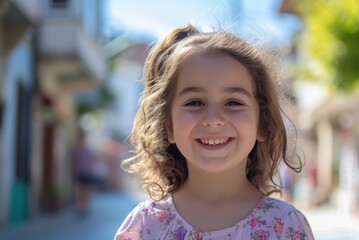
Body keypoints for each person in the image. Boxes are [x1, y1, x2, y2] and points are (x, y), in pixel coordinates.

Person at [114, 25, 315, 239]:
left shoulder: (286, 225)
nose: (213, 120)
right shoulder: (144, 226)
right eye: (195, 102)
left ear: (262, 123)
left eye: (233, 102)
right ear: (169, 126)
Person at [72, 130, 96, 218]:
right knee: (79, 191)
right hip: (79, 173)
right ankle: (79, 207)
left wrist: (90, 171)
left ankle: (85, 207)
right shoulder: (76, 150)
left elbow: (91, 162)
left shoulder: (88, 151)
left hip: (87, 173)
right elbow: (74, 162)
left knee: (85, 191)